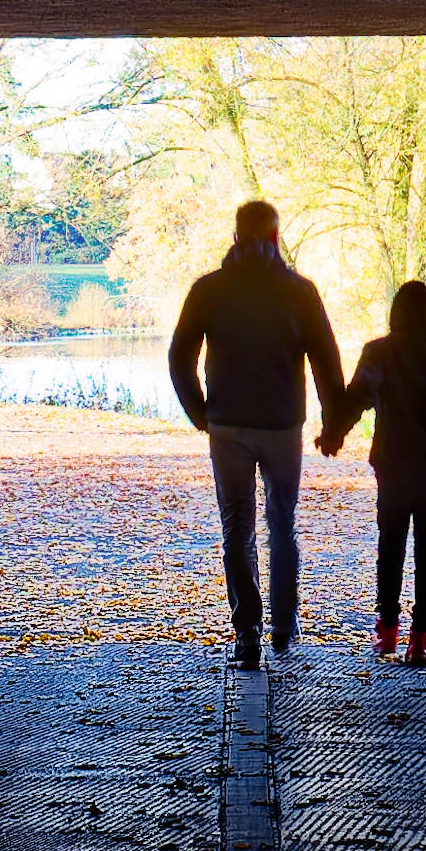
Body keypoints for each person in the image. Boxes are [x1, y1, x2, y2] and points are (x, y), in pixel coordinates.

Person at [168, 200, 349, 667]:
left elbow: (178, 356)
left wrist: (199, 412)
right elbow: (327, 361)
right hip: (282, 425)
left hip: (226, 425)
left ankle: (247, 631)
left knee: (237, 527)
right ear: (274, 238)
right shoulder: (300, 291)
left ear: (235, 237)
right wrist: (333, 426)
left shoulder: (209, 290)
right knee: (282, 524)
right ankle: (284, 627)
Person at [318, 281, 426, 665]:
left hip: (394, 462)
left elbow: (360, 394)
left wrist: (334, 434)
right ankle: (420, 640)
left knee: (390, 546)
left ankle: (387, 633)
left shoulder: (380, 351)